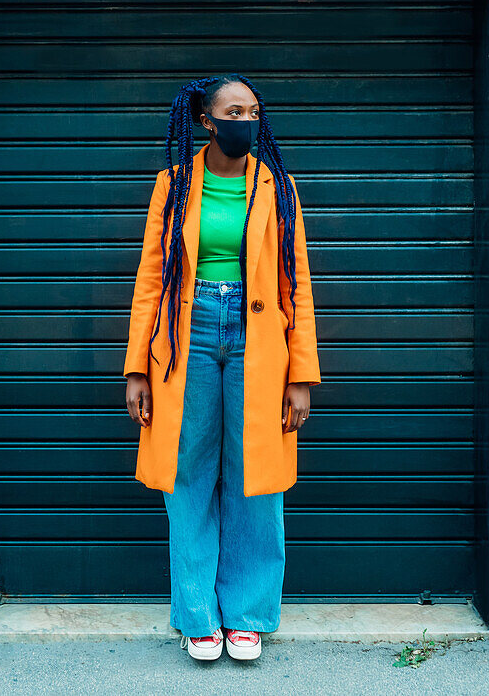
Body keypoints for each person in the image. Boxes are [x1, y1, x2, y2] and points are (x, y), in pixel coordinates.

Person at [123, 73, 321, 662]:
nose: (246, 121)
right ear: (207, 120)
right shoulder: (175, 184)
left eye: (254, 111)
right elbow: (151, 277)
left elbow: (299, 285)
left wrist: (301, 376)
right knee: (187, 473)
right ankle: (197, 616)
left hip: (260, 338)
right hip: (187, 332)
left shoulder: (278, 187)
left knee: (255, 475)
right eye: (234, 111)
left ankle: (248, 613)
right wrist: (136, 367)